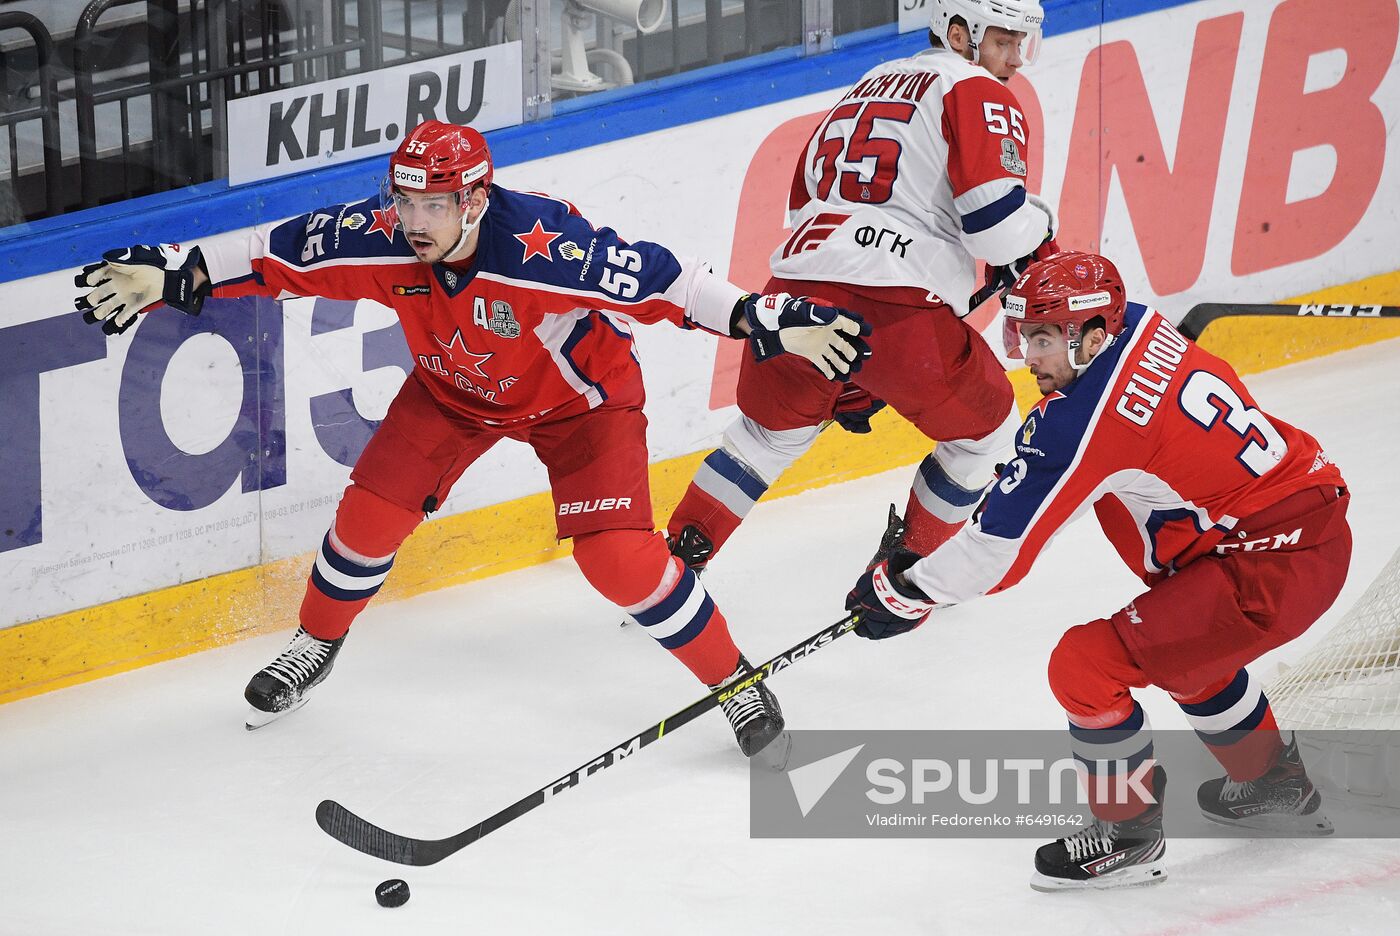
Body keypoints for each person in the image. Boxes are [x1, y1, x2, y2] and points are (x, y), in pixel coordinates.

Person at [74, 120, 871, 758]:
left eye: (434, 206)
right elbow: (270, 254)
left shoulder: (543, 247)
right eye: (406, 202)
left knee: (619, 560)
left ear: (476, 200)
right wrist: (177, 269)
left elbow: (668, 279)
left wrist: (764, 318)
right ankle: (314, 644)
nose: (414, 223)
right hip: (453, 395)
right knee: (367, 519)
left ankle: (736, 681)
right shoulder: (381, 234)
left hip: (579, 406)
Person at [845, 251, 1351, 890]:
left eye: (1046, 339)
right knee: (1186, 650)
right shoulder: (1138, 324)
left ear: (1092, 335)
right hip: (1289, 531)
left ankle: (1129, 833)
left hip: (1268, 565)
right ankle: (1276, 785)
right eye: (1027, 335)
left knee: (1086, 665)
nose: (1032, 357)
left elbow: (1000, 553)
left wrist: (907, 591)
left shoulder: (1081, 421)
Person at [662, 0, 1058, 577]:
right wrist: (1040, 222)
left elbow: (802, 206)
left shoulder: (864, 85)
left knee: (762, 441)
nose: (1015, 60)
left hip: (792, 297)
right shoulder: (976, 89)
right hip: (900, 313)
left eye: (1023, 43)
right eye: (1003, 41)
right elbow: (998, 233)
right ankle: (906, 572)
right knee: (987, 440)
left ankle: (671, 570)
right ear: (956, 33)